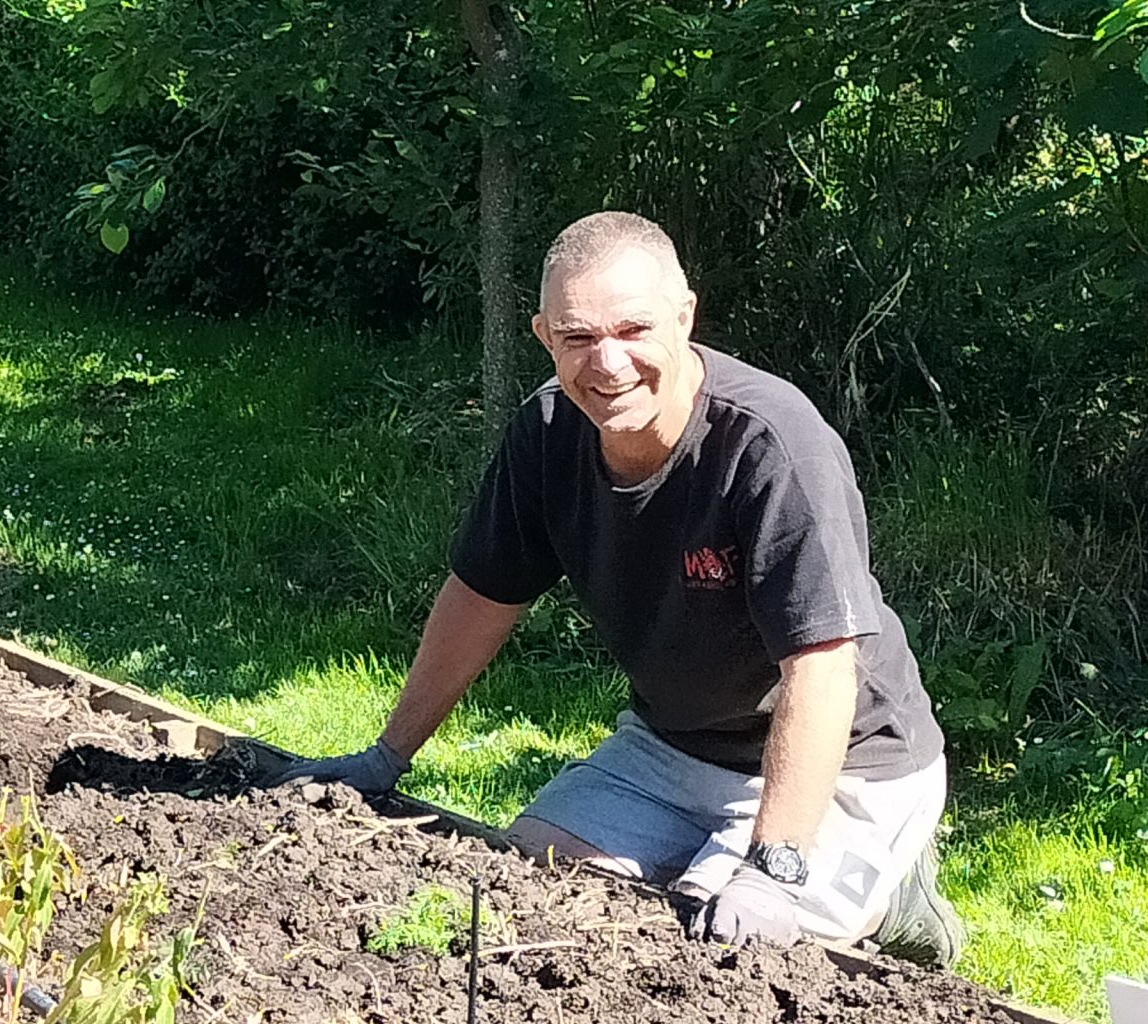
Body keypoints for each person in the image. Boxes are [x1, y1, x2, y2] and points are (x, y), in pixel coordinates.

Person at [273, 211, 962, 967]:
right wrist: (385, 758)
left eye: (633, 330)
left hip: (846, 766)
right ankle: (747, 865)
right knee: (528, 883)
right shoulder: (547, 430)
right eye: (577, 338)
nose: (608, 364)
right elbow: (481, 596)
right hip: (673, 748)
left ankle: (895, 896)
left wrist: (774, 868)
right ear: (544, 336)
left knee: (725, 947)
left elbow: (824, 667)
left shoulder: (770, 446)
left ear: (685, 316)